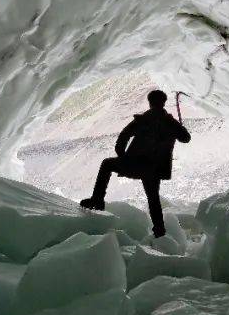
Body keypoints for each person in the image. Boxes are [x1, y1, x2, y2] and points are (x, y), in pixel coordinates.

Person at [79, 89, 191, 238]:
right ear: (163, 102)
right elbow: (186, 138)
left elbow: (123, 137)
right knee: (153, 198)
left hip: (135, 165)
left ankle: (97, 200)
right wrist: (177, 126)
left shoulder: (143, 119)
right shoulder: (169, 122)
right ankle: (159, 231)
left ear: (150, 102)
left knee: (107, 164)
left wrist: (123, 157)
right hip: (155, 169)